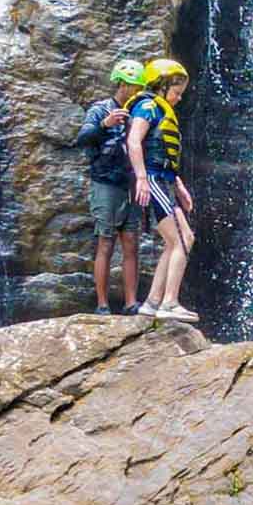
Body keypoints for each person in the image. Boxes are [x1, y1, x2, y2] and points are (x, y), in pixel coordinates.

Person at [126, 57, 199, 323]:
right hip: (153, 180)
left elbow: (165, 153)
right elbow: (134, 142)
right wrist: (142, 179)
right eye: (177, 92)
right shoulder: (147, 106)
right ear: (161, 86)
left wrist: (178, 185)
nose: (179, 99)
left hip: (163, 180)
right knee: (181, 239)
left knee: (178, 240)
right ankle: (169, 302)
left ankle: (152, 302)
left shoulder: (160, 110)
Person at [81, 59, 149, 314]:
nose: (134, 90)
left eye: (138, 86)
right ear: (120, 83)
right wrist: (104, 125)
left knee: (131, 242)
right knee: (105, 242)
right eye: (131, 85)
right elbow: (83, 139)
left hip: (130, 185)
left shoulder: (140, 111)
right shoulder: (100, 110)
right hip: (105, 183)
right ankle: (102, 304)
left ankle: (131, 302)